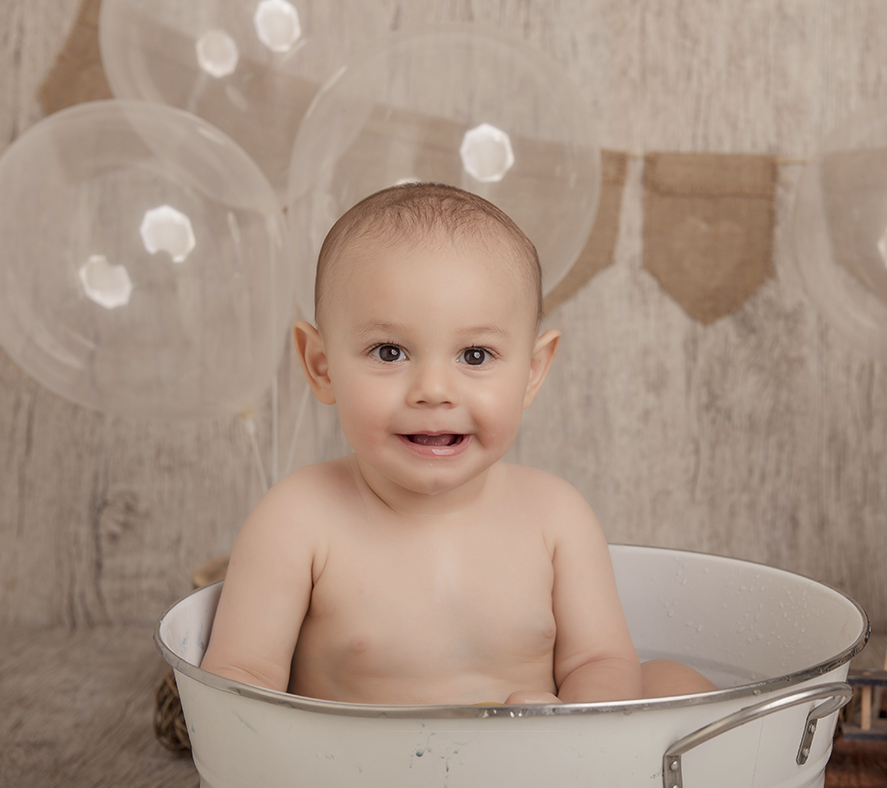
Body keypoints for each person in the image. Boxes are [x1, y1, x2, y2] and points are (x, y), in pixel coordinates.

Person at [200, 183, 715, 705]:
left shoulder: (556, 516)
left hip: (541, 753)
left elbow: (598, 660)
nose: (433, 391)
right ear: (321, 366)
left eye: (474, 356)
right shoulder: (297, 518)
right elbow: (241, 675)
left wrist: (568, 725)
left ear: (532, 372)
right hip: (364, 754)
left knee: (675, 681)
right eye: (389, 351)